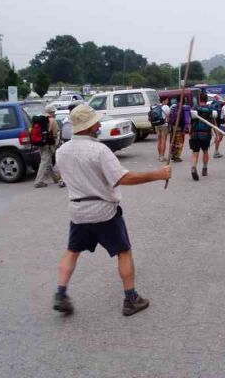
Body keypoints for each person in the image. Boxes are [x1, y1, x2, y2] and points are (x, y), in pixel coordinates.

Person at [53, 104, 171, 316]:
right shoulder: (99, 150)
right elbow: (123, 178)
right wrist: (158, 174)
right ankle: (131, 299)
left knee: (72, 251)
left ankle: (60, 293)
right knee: (123, 252)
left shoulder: (61, 151)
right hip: (103, 210)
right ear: (89, 126)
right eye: (96, 122)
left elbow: (64, 176)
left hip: (78, 211)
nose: (99, 125)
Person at [189, 92, 216, 180]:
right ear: (206, 99)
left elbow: (190, 123)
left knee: (195, 152)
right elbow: (213, 123)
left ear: (199, 99)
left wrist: (190, 133)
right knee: (205, 151)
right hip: (206, 134)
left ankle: (193, 167)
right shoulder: (210, 109)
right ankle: (204, 168)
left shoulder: (194, 109)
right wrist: (217, 134)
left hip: (195, 134)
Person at [34, 104, 60, 188]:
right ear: (51, 112)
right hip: (48, 144)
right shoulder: (52, 120)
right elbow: (55, 133)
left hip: (39, 143)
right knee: (44, 162)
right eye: (54, 112)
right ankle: (38, 181)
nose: (55, 113)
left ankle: (55, 178)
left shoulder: (40, 119)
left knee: (47, 161)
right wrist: (56, 144)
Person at [155, 98, 170, 162]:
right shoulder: (166, 107)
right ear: (164, 100)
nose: (168, 101)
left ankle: (159, 156)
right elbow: (169, 117)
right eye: (167, 100)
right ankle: (162, 157)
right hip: (164, 125)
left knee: (159, 140)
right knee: (163, 140)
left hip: (157, 124)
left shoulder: (157, 106)